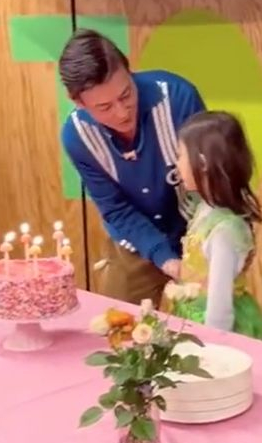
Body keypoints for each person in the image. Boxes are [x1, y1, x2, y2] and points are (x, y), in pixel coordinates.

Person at [59, 28, 205, 308]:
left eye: (126, 94)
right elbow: (115, 209)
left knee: (205, 325)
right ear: (78, 102)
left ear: (129, 71)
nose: (122, 112)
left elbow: (211, 176)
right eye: (104, 107)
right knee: (118, 323)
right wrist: (164, 257)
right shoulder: (77, 137)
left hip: (197, 230)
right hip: (135, 239)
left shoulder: (177, 98)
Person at [164, 110, 262, 341]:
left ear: (202, 163)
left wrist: (211, 349)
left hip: (214, 334)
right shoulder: (204, 208)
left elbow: (219, 312)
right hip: (193, 321)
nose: (177, 164)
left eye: (180, 155)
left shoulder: (224, 232)